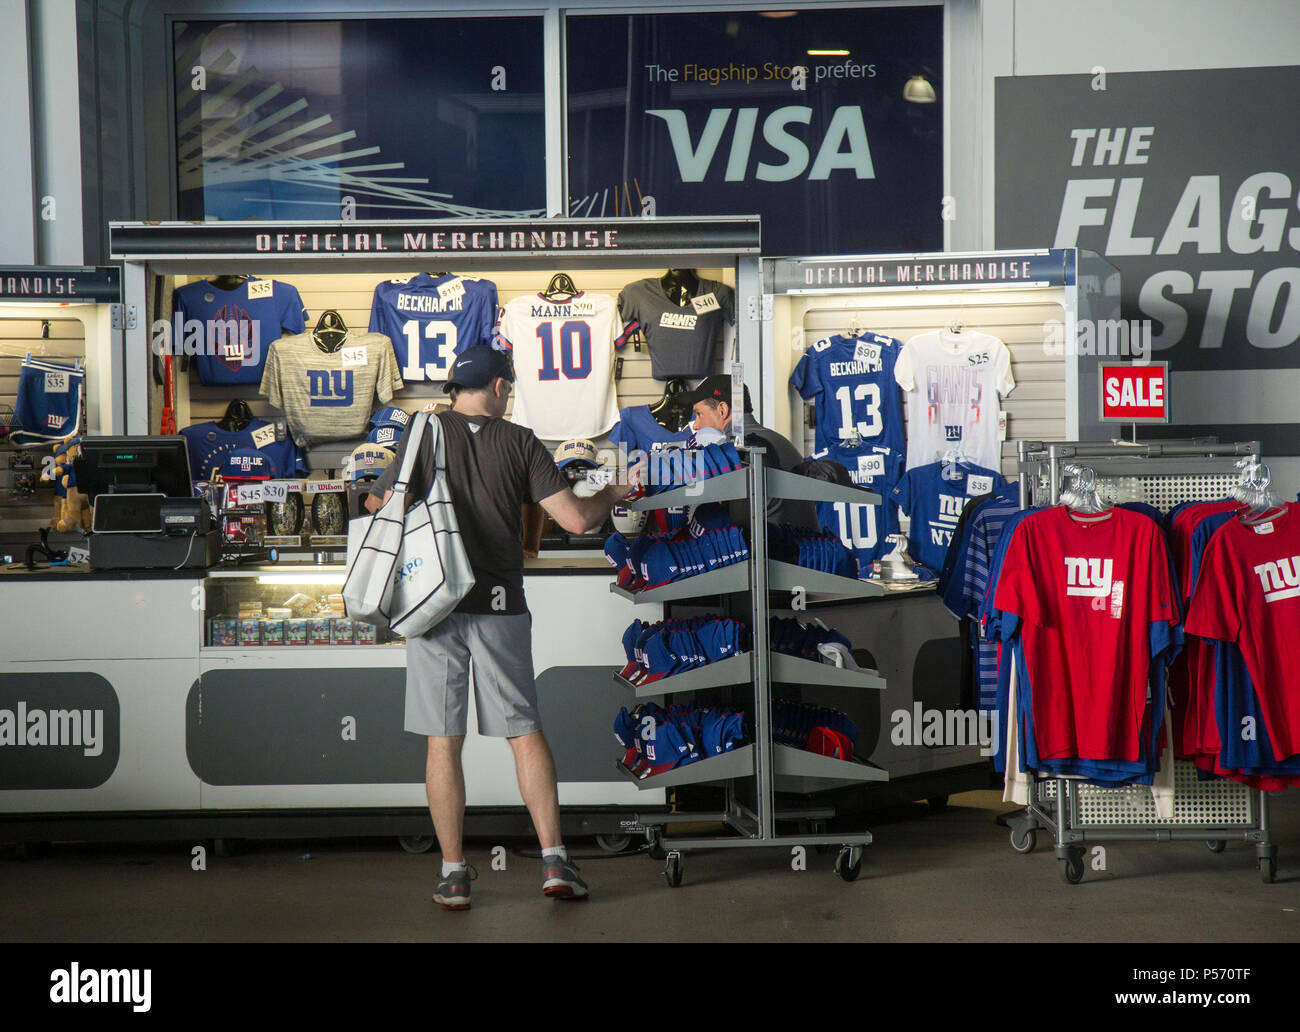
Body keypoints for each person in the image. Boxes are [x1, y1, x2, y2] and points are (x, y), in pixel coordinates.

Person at [365, 346, 641, 910]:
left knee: (444, 742)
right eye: (507, 387)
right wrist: (613, 491)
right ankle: (555, 862)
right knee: (524, 732)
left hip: (431, 606)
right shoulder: (519, 441)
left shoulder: (421, 435)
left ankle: (453, 875)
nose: (508, 395)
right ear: (496, 387)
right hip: (499, 603)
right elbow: (575, 519)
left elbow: (377, 505)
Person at [676, 374, 815, 525]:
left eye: (699, 414)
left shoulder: (739, 453)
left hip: (772, 546)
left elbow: (739, 527)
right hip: (803, 543)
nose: (695, 425)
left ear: (722, 410)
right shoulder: (780, 441)